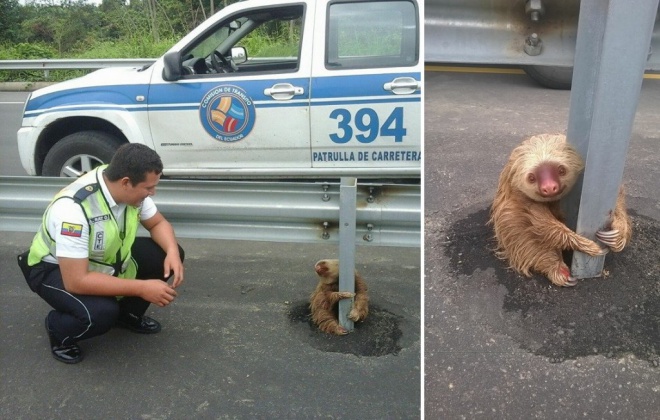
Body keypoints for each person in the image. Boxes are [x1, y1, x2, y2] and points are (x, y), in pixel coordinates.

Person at [17, 143, 185, 364]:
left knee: (165, 255)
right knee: (101, 312)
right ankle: (60, 331)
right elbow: (76, 281)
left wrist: (172, 251)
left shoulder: (123, 182)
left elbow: (157, 224)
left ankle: (127, 315)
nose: (153, 192)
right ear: (126, 183)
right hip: (53, 269)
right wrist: (143, 288)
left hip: (101, 259)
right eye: (149, 188)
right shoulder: (73, 210)